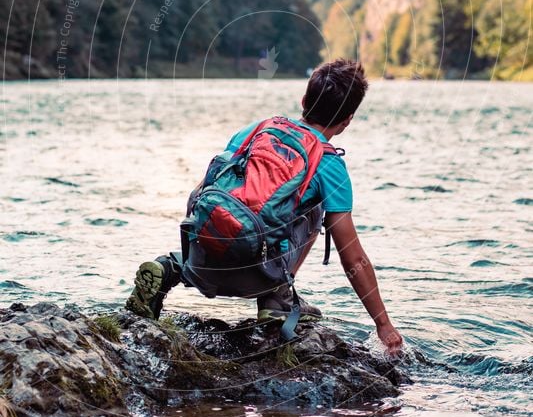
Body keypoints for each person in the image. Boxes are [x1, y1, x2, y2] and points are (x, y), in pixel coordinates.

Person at [126, 58, 403, 355]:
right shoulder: (329, 164)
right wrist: (383, 325)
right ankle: (277, 300)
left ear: (303, 101)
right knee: (315, 207)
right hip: (257, 278)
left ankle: (169, 267)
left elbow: (203, 190)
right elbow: (353, 258)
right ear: (347, 120)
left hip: (201, 264)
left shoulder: (257, 130)